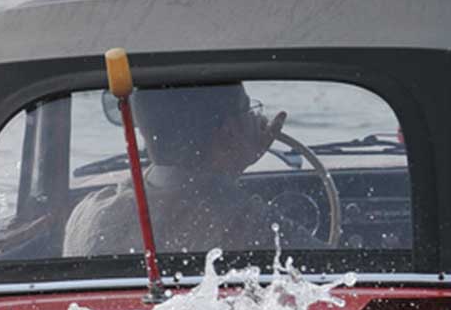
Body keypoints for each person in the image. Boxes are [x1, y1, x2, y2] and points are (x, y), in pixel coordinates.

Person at [63, 83, 320, 257]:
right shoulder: (251, 223)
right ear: (229, 131)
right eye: (249, 109)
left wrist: (230, 164)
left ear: (143, 129)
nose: (257, 118)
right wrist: (233, 163)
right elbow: (336, 275)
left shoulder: (88, 214)